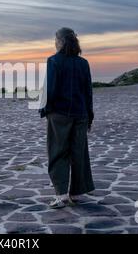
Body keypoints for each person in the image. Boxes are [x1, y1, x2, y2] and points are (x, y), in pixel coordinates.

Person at [39, 27, 95, 209]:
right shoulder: (83, 63)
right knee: (79, 153)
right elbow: (88, 91)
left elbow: (50, 88)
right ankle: (77, 193)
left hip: (59, 114)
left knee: (58, 152)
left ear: (60, 41)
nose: (54, 43)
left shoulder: (53, 61)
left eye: (55, 39)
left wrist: (44, 109)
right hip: (81, 113)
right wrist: (90, 114)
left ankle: (61, 195)